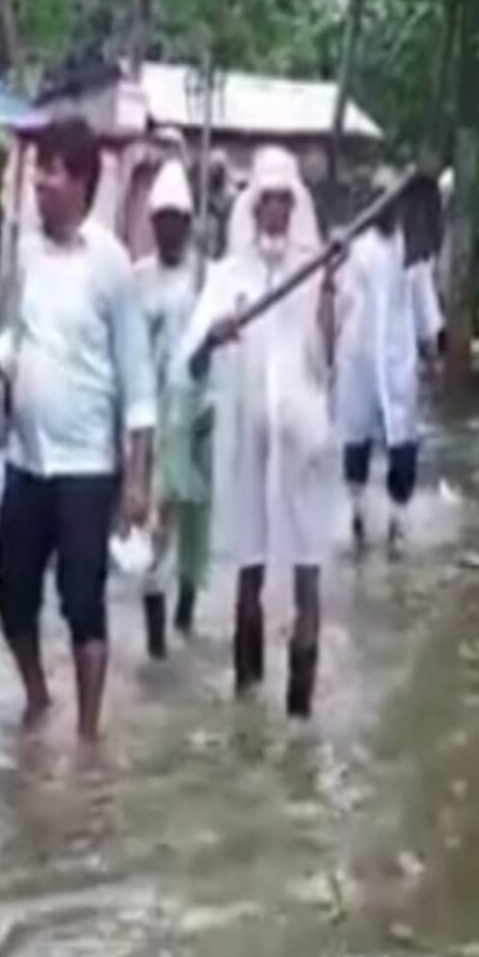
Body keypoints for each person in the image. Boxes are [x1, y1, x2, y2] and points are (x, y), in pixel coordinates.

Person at [0, 116, 153, 741]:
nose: (39, 183)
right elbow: (14, 332)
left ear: (82, 181)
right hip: (25, 460)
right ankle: (38, 697)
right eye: (37, 170)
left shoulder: (112, 265)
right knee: (11, 598)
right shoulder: (27, 255)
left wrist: (136, 480)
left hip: (88, 465)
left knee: (82, 604)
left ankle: (88, 733)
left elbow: (138, 379)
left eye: (52, 172)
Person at [183, 146, 337, 718]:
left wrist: (324, 290)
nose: (275, 212)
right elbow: (190, 363)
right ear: (252, 208)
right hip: (244, 439)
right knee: (248, 566)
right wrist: (215, 337)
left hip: (301, 437)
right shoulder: (227, 277)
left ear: (294, 208)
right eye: (266, 201)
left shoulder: (314, 269)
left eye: (284, 202)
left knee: (307, 566)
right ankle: (246, 702)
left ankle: (301, 712)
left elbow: (325, 362)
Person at [337, 169, 442, 551]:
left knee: (402, 441)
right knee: (356, 438)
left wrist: (432, 347)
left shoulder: (410, 250)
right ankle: (358, 512)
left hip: (398, 358)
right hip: (358, 357)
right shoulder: (356, 250)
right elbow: (339, 301)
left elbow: (424, 303)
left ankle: (398, 519)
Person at [133, 158, 211, 657]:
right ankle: (157, 648)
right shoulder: (137, 278)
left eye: (175, 221)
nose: (168, 231)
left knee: (195, 530)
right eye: (159, 221)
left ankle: (185, 619)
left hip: (201, 416)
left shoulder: (206, 276)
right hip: (156, 420)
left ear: (187, 223)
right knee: (153, 536)